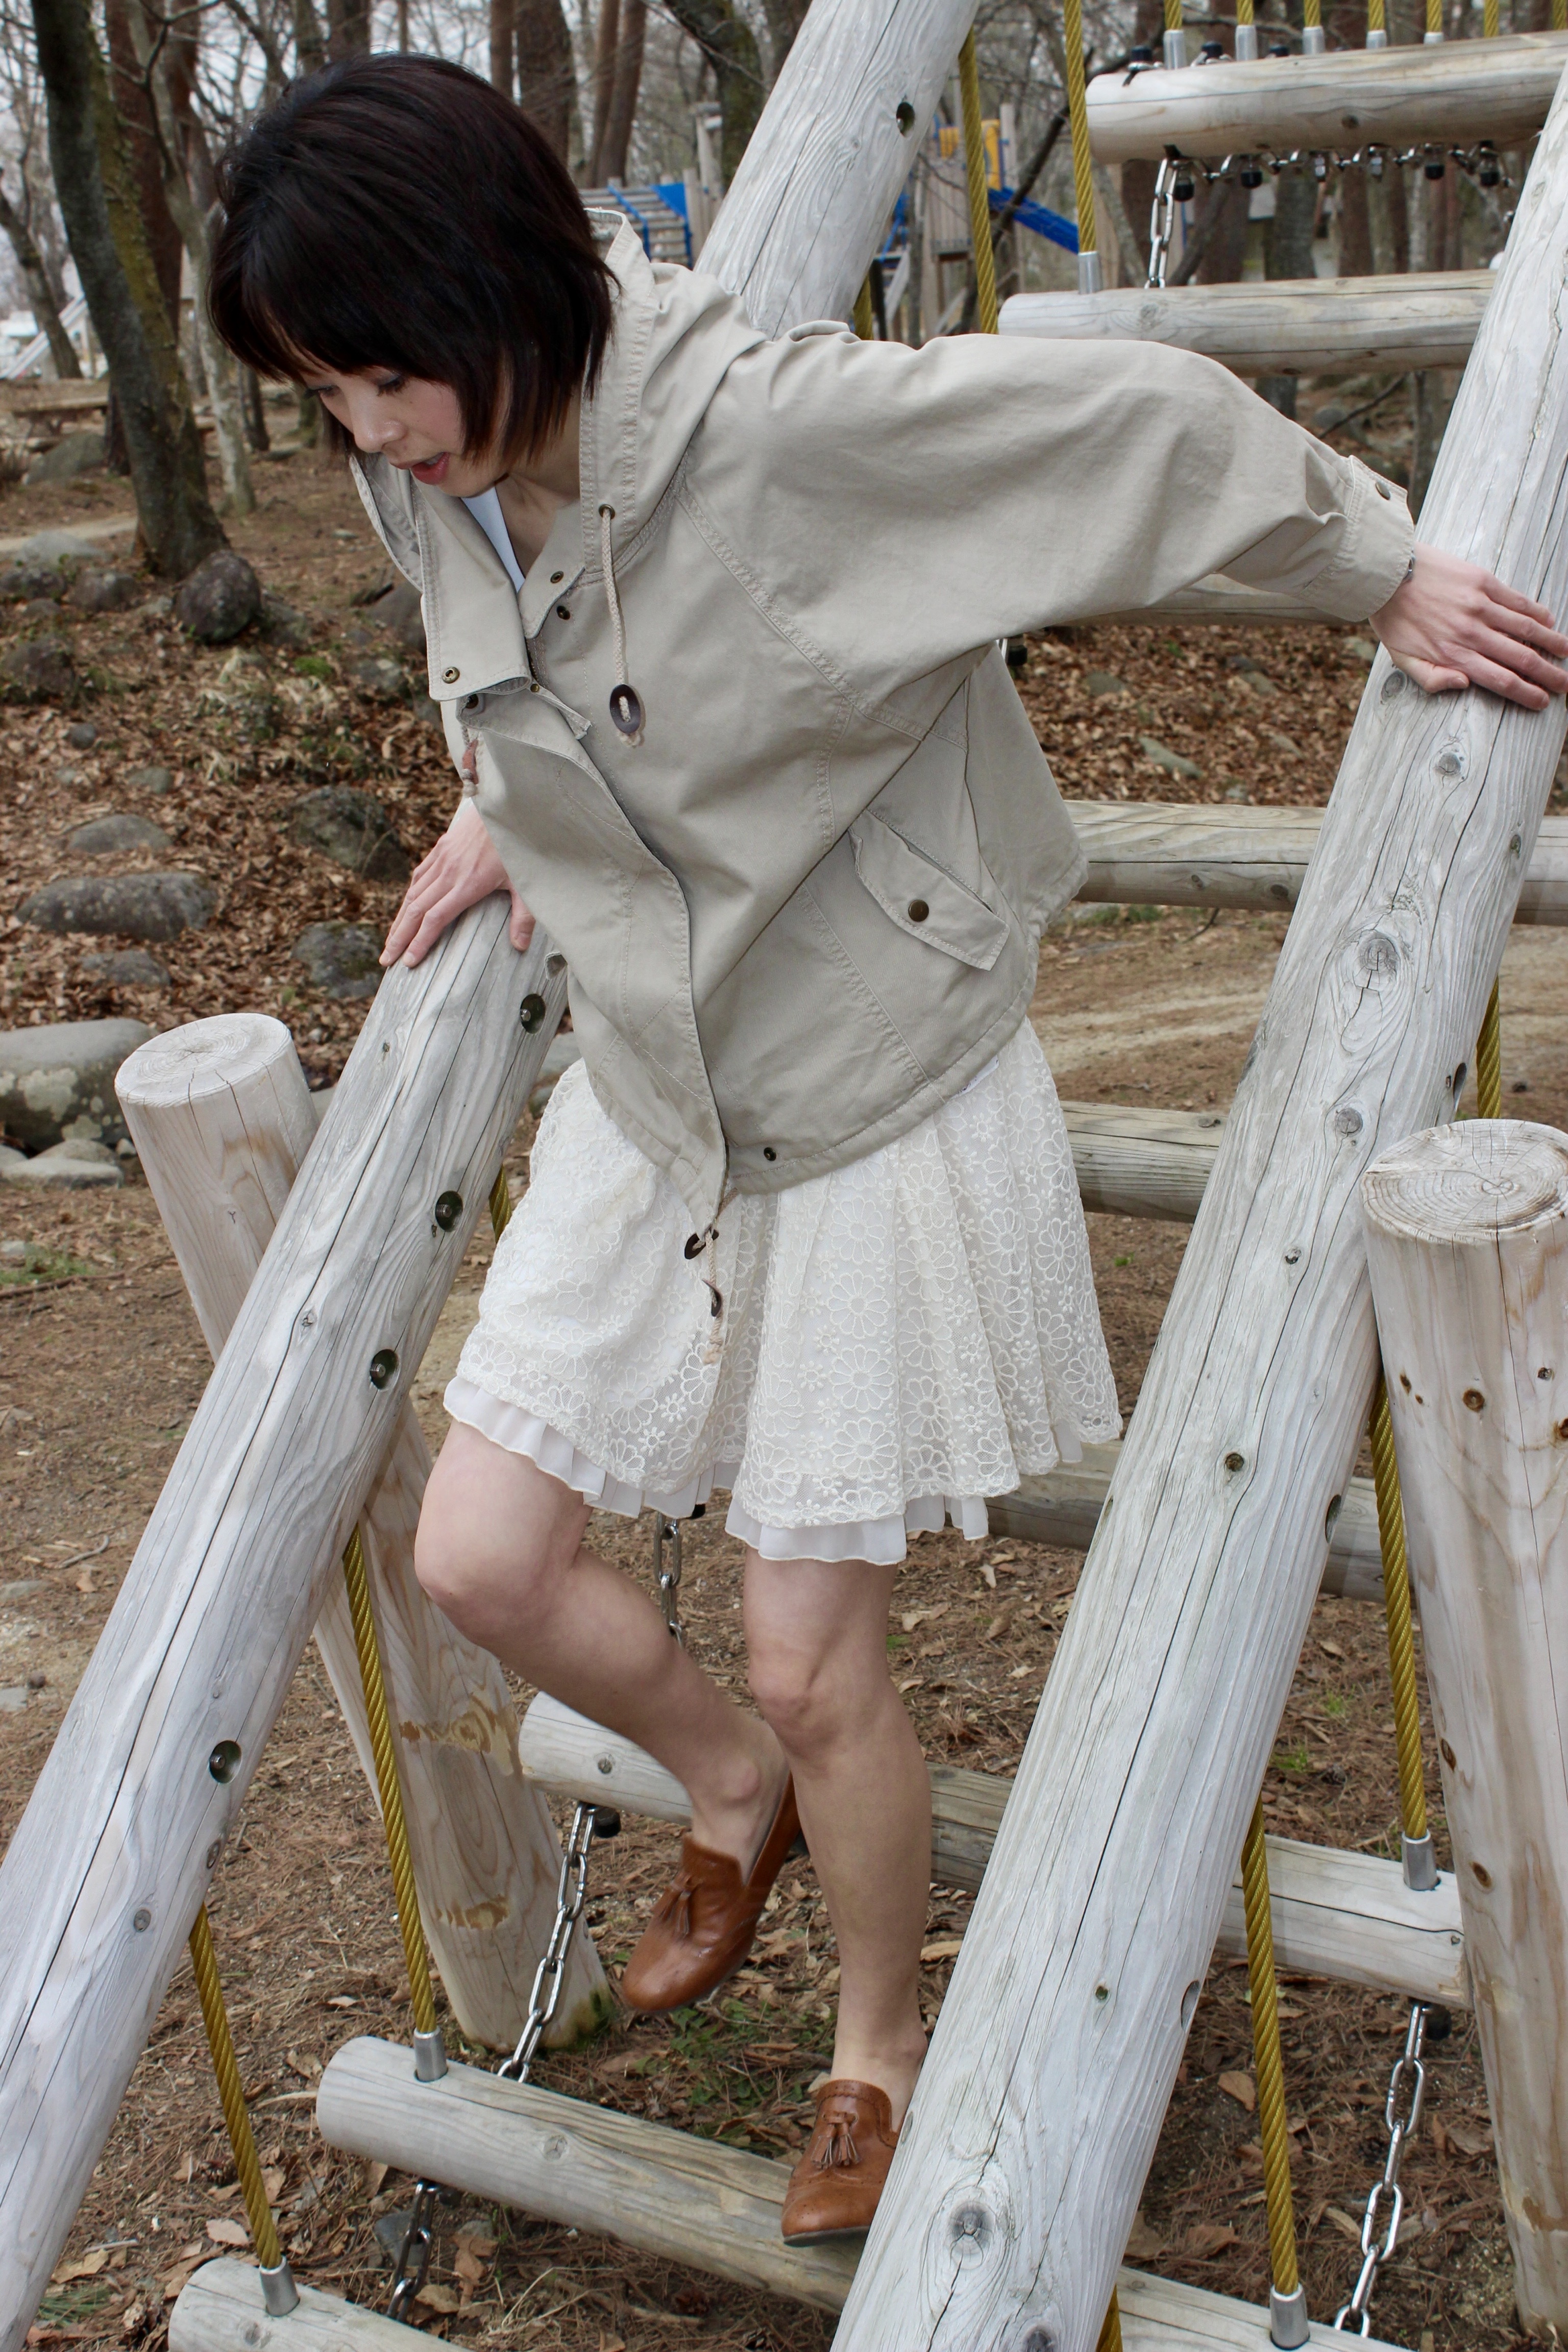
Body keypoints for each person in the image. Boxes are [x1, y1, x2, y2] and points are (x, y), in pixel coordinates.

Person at [210, 52, 1567, 2244]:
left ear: (494, 287)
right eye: (327, 396)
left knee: (806, 1648)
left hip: (865, 1068)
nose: (372, 435)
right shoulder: (434, 469)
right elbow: (546, 658)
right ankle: (727, 1790)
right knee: (480, 1555)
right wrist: (508, 807)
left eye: (385, 377)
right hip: (658, 1079)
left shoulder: (778, 439)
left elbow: (1143, 427)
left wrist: (1381, 572)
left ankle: (877, 2040)